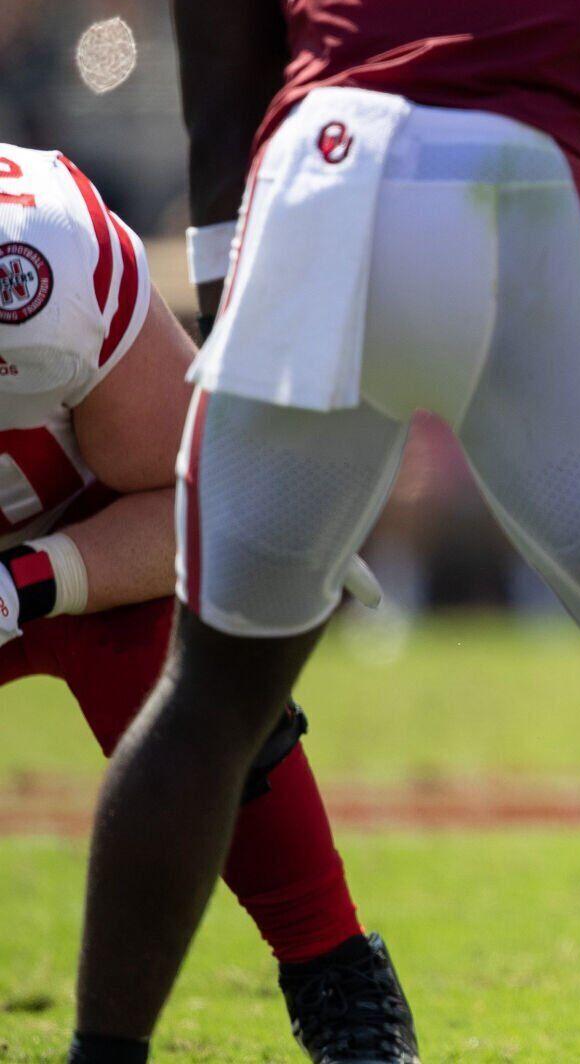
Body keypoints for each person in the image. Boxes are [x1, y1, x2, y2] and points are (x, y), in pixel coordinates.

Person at [64, 0, 580, 1062]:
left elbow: (222, 118)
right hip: (522, 186)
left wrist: (245, 386)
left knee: (209, 693)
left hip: (317, 182)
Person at [0, 142, 417, 1061]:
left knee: (195, 685)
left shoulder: (39, 261)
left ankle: (334, 972)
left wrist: (28, 582)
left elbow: (200, 494)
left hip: (78, 550)